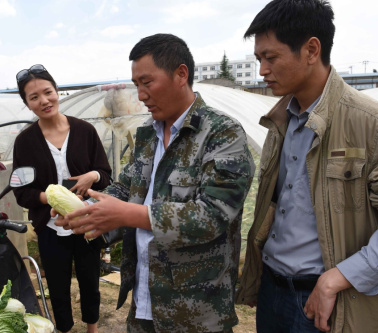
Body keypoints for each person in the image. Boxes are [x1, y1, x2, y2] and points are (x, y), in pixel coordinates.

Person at [235, 0, 378, 332]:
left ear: (312, 50)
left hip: (333, 302)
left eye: (270, 57)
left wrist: (337, 278)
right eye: (258, 58)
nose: (262, 71)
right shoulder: (279, 121)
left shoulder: (373, 125)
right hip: (273, 291)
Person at [54, 33, 255, 332]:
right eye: (137, 86)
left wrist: (126, 214)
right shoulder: (148, 134)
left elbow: (212, 215)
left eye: (147, 83)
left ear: (180, 75)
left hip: (196, 311)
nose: (141, 95)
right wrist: (85, 209)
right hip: (146, 299)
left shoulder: (221, 133)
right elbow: (127, 187)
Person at [12, 64, 112, 333]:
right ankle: (65, 329)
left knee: (90, 280)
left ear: (57, 92)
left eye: (48, 92)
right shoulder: (25, 142)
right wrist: (50, 198)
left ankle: (92, 328)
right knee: (57, 284)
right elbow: (21, 192)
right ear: (28, 104)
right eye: (34, 97)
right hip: (50, 227)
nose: (44, 101)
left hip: (88, 221)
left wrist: (92, 175)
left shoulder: (85, 131)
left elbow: (106, 175)